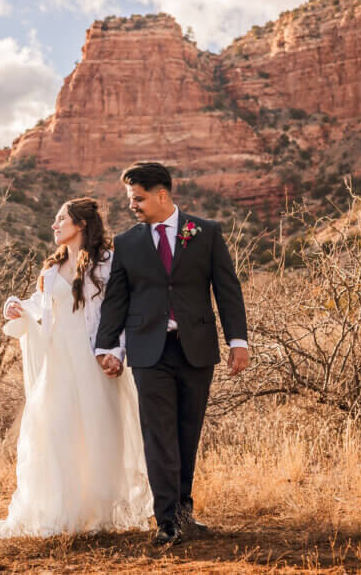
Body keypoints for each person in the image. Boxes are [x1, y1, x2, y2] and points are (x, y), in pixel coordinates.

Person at [94, 162, 249, 545]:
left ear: (162, 194)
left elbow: (227, 289)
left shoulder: (206, 232)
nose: (133, 205)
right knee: (158, 435)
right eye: (131, 199)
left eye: (139, 198)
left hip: (196, 350)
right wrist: (106, 346)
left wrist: (238, 341)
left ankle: (184, 513)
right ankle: (166, 522)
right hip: (149, 353)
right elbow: (116, 300)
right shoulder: (126, 243)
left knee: (187, 433)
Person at [0, 197, 152, 538]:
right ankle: (62, 511)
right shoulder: (50, 269)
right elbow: (42, 307)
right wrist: (15, 305)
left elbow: (119, 310)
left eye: (61, 218)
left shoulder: (107, 262)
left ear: (79, 224)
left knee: (98, 430)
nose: (54, 225)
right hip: (58, 360)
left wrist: (116, 352)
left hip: (93, 357)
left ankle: (98, 513)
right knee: (56, 430)